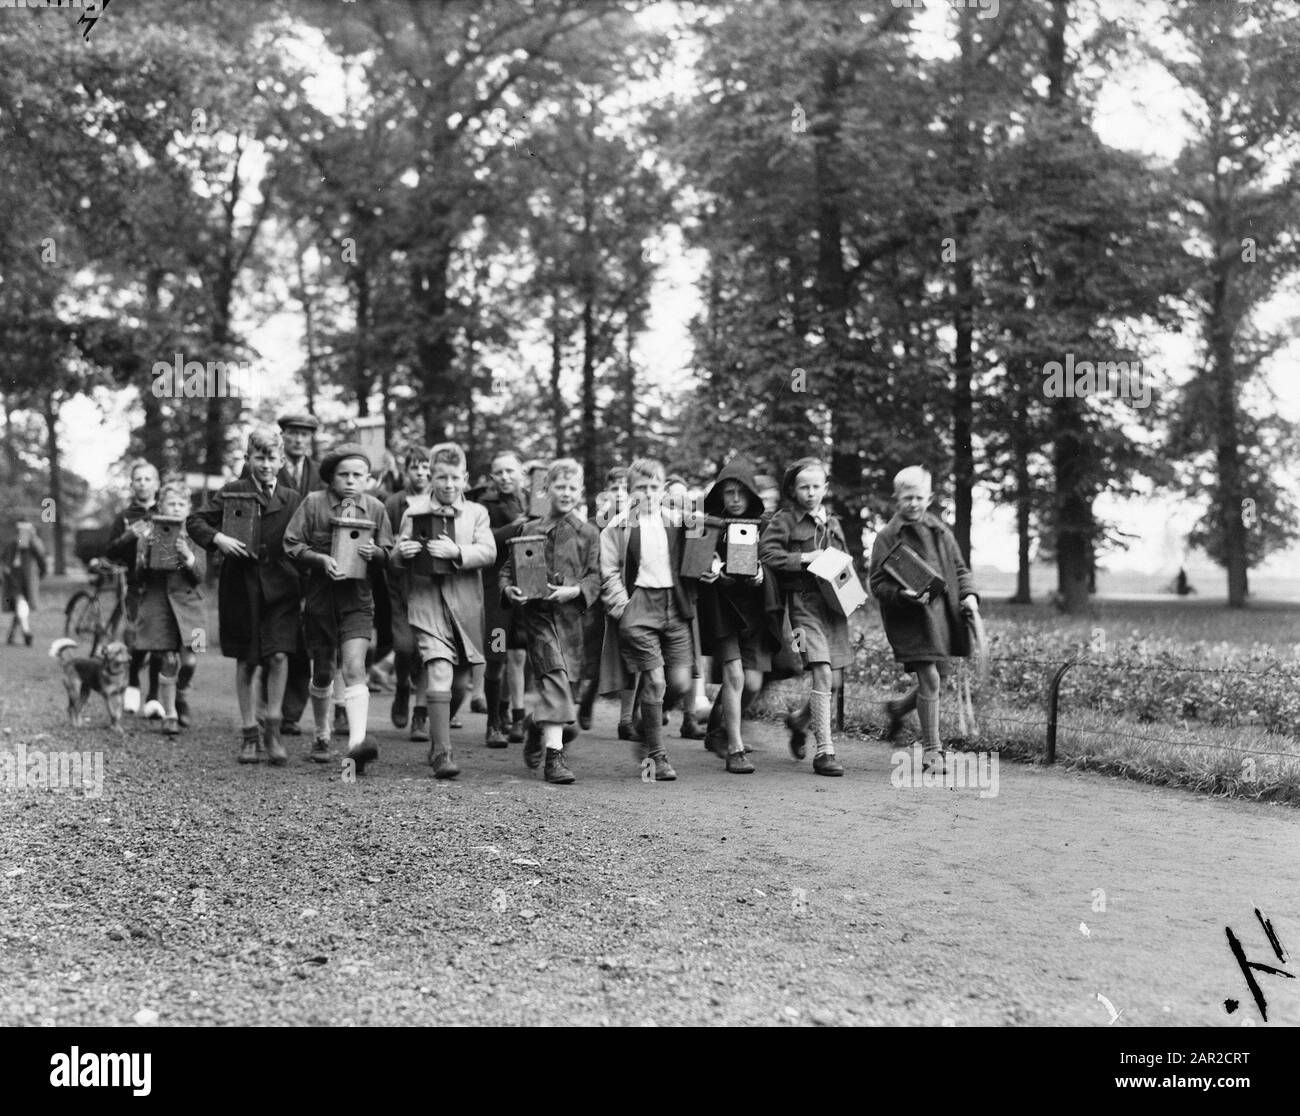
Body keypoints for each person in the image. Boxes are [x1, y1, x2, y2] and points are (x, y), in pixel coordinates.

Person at [187, 427, 304, 765]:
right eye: (259, 457)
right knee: (248, 660)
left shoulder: (292, 498)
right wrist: (218, 539)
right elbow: (195, 520)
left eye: (271, 458)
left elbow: (304, 539)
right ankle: (249, 733)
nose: (265, 464)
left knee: (280, 656)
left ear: (281, 461)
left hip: (282, 588)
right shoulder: (233, 492)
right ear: (249, 459)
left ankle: (274, 730)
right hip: (243, 588)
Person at [283, 443, 393, 773]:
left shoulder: (375, 508)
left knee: (355, 667)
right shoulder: (313, 503)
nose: (350, 480)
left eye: (357, 475)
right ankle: (321, 733)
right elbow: (291, 544)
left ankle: (356, 747)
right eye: (343, 474)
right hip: (319, 601)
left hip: (358, 601)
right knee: (324, 671)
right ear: (330, 477)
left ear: (368, 479)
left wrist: (377, 554)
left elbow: (390, 551)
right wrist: (318, 559)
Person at [390, 443, 496, 779]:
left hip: (465, 605)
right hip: (427, 602)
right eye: (441, 477)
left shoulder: (477, 513)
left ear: (464, 478)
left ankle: (439, 731)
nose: (448, 485)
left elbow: (489, 552)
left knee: (461, 684)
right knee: (438, 668)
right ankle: (441, 752)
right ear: (430, 477)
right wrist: (401, 552)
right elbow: (395, 556)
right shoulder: (413, 511)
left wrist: (457, 551)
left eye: (454, 478)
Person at [869, 466, 980, 773]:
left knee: (938, 679)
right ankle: (933, 751)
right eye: (907, 498)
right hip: (910, 621)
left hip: (942, 617)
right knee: (930, 679)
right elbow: (877, 584)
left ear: (929, 497)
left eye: (919, 497)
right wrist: (903, 595)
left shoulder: (940, 530)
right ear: (896, 499)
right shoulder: (887, 536)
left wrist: (969, 595)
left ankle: (898, 709)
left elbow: (960, 569)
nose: (913, 504)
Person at [499, 458, 600, 784]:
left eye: (573, 487)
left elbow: (595, 577)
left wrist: (576, 591)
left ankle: (533, 726)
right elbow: (506, 571)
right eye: (560, 486)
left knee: (564, 697)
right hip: (538, 618)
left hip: (572, 623)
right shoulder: (529, 530)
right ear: (547, 489)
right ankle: (554, 761)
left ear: (581, 492)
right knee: (555, 679)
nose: (566, 492)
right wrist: (509, 590)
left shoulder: (588, 533)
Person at [599, 457, 697, 781]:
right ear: (630, 490)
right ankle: (657, 757)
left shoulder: (679, 522)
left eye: (655, 487)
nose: (649, 493)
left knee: (680, 683)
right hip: (639, 604)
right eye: (642, 487)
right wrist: (623, 607)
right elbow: (609, 571)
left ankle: (644, 724)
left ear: (663, 488)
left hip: (674, 606)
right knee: (655, 681)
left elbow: (696, 558)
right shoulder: (618, 526)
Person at [758, 457, 850, 776]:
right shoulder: (784, 520)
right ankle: (824, 752)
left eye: (816, 486)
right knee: (822, 672)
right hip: (801, 607)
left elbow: (844, 565)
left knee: (834, 681)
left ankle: (798, 721)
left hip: (833, 609)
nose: (811, 493)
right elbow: (766, 554)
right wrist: (804, 558)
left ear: (825, 488)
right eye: (804, 487)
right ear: (793, 490)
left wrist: (853, 594)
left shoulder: (833, 524)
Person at [695, 457, 783, 773]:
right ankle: (735, 747)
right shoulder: (708, 526)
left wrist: (761, 575)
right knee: (735, 676)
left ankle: (718, 729)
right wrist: (708, 571)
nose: (733, 499)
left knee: (754, 683)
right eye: (728, 493)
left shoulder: (766, 527)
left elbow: (774, 566)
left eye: (739, 493)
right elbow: (691, 565)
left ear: (750, 495)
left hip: (755, 615)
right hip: (723, 612)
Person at [132, 482, 205, 736]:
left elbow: (202, 576)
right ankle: (170, 712)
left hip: (190, 608)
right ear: (160, 506)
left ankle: (182, 695)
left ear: (189, 507)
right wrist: (146, 555)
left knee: (190, 661)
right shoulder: (148, 534)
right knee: (167, 659)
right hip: (159, 606)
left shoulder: (196, 534)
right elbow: (138, 576)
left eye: (181, 504)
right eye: (170, 504)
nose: (175, 509)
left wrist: (188, 557)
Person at [271, 412, 323, 739]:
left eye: (305, 435)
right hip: (275, 566)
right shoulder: (266, 469)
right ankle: (269, 709)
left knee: (307, 642)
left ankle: (291, 713)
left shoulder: (322, 474)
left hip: (312, 565)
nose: (299, 440)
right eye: (293, 434)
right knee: (276, 641)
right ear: (284, 437)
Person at [477, 451, 529, 748]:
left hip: (525, 590)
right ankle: (494, 721)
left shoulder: (536, 502)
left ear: (521, 472)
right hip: (495, 594)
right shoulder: (485, 505)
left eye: (510, 471)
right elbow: (487, 540)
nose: (505, 477)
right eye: (499, 472)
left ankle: (518, 716)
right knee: (496, 656)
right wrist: (517, 526)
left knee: (519, 653)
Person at [105, 460, 164, 717]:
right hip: (136, 583)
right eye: (138, 479)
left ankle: (154, 697)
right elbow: (109, 551)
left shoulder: (166, 511)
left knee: (161, 639)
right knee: (136, 636)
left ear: (157, 484)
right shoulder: (125, 516)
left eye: (147, 479)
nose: (142, 483)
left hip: (162, 583)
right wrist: (128, 537)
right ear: (132, 484)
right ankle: (133, 684)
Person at [384, 445, 432, 741]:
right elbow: (386, 542)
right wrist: (399, 551)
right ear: (406, 470)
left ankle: (420, 714)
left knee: (427, 651)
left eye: (427, 468)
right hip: (401, 583)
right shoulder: (394, 502)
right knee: (404, 647)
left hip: (430, 585)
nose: (421, 473)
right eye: (415, 467)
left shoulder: (440, 498)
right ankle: (402, 684)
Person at [2, 517, 47, 647]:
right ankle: (26, 631)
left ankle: (11, 634)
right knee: (21, 602)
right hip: (14, 578)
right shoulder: (13, 544)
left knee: (20, 605)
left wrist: (41, 574)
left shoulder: (31, 543)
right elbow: (5, 559)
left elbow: (41, 560)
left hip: (26, 579)